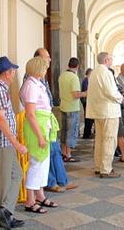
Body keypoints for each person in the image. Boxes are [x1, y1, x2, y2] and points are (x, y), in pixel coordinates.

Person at [0, 56, 27, 229]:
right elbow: (1, 120)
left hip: (4, 143)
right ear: (6, 73)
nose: (14, 74)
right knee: (4, 183)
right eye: (12, 71)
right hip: (1, 143)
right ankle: (4, 217)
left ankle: (6, 211)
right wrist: (16, 143)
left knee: (16, 175)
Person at [32, 48, 76, 193]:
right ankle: (50, 182)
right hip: (41, 122)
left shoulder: (42, 78)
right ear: (38, 59)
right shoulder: (32, 79)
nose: (50, 59)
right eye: (47, 57)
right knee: (48, 154)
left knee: (56, 151)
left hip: (48, 120)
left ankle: (62, 180)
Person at [21, 57, 59, 213]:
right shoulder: (31, 85)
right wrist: (40, 136)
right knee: (36, 163)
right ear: (37, 69)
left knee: (43, 163)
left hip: (43, 124)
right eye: (44, 68)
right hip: (37, 127)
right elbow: (30, 114)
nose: (46, 70)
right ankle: (30, 201)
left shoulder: (36, 83)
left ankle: (40, 196)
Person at [86, 52, 123, 178]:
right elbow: (110, 91)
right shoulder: (105, 72)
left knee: (100, 140)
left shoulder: (94, 73)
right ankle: (106, 169)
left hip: (99, 111)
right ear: (106, 59)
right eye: (111, 58)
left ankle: (98, 166)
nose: (112, 60)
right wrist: (120, 98)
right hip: (109, 111)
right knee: (109, 140)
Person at [58, 57, 86, 162]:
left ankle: (63, 152)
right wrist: (86, 93)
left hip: (63, 106)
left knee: (64, 131)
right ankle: (68, 155)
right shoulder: (74, 77)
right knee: (71, 132)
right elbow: (75, 94)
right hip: (72, 108)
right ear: (77, 66)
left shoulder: (62, 75)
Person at [81, 68, 94, 139]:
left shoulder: (88, 80)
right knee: (88, 118)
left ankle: (88, 133)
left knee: (90, 118)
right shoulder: (86, 80)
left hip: (89, 101)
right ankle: (86, 134)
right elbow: (87, 90)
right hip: (87, 102)